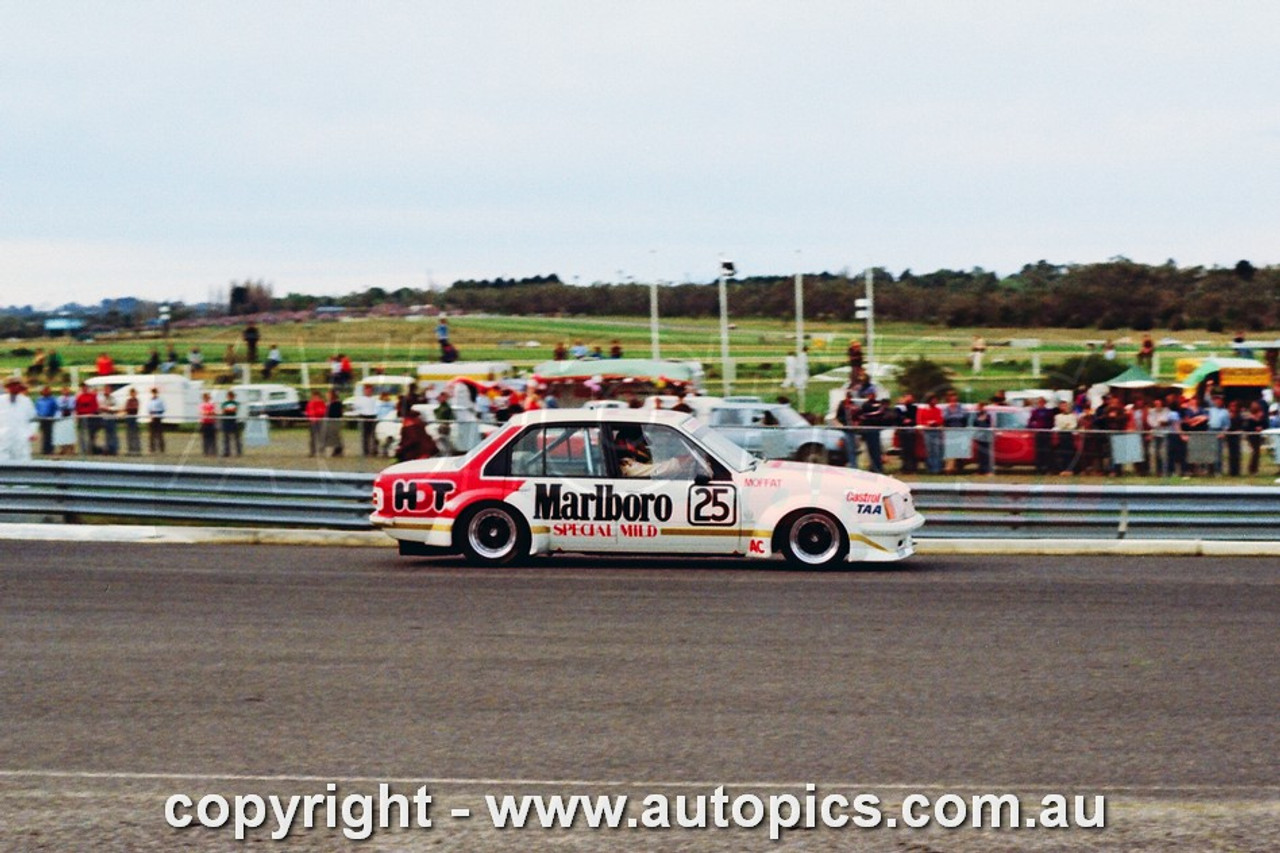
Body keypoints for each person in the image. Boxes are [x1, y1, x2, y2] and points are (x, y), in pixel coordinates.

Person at [0, 378, 37, 461]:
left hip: (21, 437)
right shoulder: (0, 400)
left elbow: (33, 419)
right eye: (12, 386)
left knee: (22, 461)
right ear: (7, 387)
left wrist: (32, 432)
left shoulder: (26, 401)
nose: (14, 387)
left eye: (17, 385)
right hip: (3, 437)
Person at [859, 391, 890, 474]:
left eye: (872, 395)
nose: (871, 396)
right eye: (869, 395)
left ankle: (878, 467)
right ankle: (873, 466)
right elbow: (864, 414)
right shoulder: (865, 405)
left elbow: (882, 413)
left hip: (876, 430)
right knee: (871, 450)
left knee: (877, 450)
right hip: (868, 430)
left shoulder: (878, 403)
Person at [916, 394, 944, 474]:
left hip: (936, 431)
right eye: (933, 400)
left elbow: (940, 420)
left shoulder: (938, 410)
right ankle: (930, 468)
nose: (935, 402)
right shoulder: (923, 410)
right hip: (927, 432)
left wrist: (935, 422)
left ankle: (937, 468)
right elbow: (921, 421)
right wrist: (927, 423)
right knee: (929, 450)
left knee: (937, 450)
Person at [1028, 397, 1056, 475]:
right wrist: (1034, 428)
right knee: (1039, 451)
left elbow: (1052, 422)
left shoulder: (1049, 412)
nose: (1041, 403)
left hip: (1046, 433)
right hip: (1038, 433)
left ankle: (1047, 468)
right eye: (1039, 402)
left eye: (1042, 402)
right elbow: (1030, 422)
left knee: (1047, 451)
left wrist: (1049, 429)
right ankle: (1039, 468)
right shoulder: (1035, 411)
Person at [835, 391, 861, 469]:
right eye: (848, 396)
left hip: (853, 430)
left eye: (850, 397)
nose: (849, 398)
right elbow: (838, 416)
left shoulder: (853, 404)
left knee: (854, 448)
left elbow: (857, 415)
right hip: (845, 429)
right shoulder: (842, 404)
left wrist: (856, 422)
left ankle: (854, 464)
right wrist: (843, 424)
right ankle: (850, 464)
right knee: (847, 448)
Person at [1053, 400, 1079, 475]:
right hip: (1061, 435)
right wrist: (1065, 426)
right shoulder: (1057, 416)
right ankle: (1063, 469)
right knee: (1062, 453)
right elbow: (1058, 425)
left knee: (1070, 452)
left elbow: (1073, 425)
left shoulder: (1073, 416)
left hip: (1069, 435)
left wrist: (1066, 426)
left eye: (1065, 405)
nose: (1064, 407)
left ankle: (1070, 469)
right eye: (1062, 406)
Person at [895, 393, 918, 474]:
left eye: (910, 398)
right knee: (904, 450)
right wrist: (903, 419)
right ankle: (904, 467)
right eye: (907, 398)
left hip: (911, 430)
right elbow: (897, 416)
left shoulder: (914, 408)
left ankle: (912, 468)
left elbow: (915, 417)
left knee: (911, 450)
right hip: (903, 431)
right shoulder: (900, 408)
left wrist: (910, 421)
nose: (909, 399)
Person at [74, 382, 100, 455]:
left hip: (90, 418)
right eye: (82, 387)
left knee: (91, 435)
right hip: (82, 417)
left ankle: (91, 449)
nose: (84, 388)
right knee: (82, 434)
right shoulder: (79, 397)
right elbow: (77, 407)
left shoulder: (92, 396)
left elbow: (95, 407)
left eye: (85, 387)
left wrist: (91, 413)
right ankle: (83, 450)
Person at [1243, 400, 1267, 476]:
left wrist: (1261, 427)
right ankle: (1252, 469)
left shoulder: (1262, 417)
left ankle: (1254, 469)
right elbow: (1246, 428)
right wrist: (1254, 428)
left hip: (1258, 437)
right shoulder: (1250, 419)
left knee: (1257, 453)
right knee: (1255, 452)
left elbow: (1265, 425)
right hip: (1251, 436)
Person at [34, 385, 58, 455]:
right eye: (44, 390)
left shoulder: (52, 399)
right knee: (43, 434)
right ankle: (44, 449)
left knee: (49, 435)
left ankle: (50, 450)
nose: (45, 392)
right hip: (41, 419)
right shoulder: (39, 400)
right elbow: (36, 408)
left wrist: (53, 416)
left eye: (47, 390)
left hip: (49, 418)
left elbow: (55, 408)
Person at [972, 400, 994, 476]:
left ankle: (988, 471)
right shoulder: (976, 416)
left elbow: (990, 425)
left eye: (981, 406)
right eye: (979, 406)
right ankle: (980, 470)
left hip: (986, 437)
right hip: (979, 437)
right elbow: (974, 424)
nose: (980, 408)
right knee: (980, 455)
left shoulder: (988, 416)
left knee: (986, 454)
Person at [53, 386, 76, 455]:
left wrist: (68, 407)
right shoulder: (58, 399)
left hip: (69, 417)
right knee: (62, 434)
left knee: (70, 433)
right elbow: (58, 407)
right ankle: (63, 449)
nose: (65, 392)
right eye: (64, 390)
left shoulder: (73, 398)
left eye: (67, 390)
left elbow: (73, 406)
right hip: (61, 417)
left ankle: (72, 449)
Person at [220, 390, 242, 457]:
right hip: (226, 421)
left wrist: (228, 410)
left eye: (232, 396)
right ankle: (226, 452)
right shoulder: (224, 403)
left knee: (236, 437)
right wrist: (228, 410)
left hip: (233, 421)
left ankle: (238, 452)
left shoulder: (236, 403)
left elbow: (234, 410)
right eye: (229, 396)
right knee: (226, 438)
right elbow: (223, 411)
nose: (230, 397)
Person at [305, 391, 327, 456]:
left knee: (321, 436)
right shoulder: (310, 403)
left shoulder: (321, 402)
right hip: (312, 422)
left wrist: (317, 412)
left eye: (316, 396)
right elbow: (308, 411)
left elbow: (323, 411)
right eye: (313, 396)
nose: (315, 397)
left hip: (320, 421)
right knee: (312, 437)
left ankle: (322, 451)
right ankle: (312, 451)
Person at [324, 389, 344, 456]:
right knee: (332, 436)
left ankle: (338, 449)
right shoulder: (328, 403)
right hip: (329, 421)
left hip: (335, 421)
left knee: (335, 435)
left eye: (328, 395)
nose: (327, 396)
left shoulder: (337, 403)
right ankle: (336, 449)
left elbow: (337, 413)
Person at [146, 388, 166, 454]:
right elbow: (148, 409)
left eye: (155, 392)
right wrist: (151, 415)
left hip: (158, 418)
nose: (154, 394)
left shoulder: (160, 401)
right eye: (153, 393)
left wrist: (156, 414)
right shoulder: (150, 401)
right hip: (152, 418)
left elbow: (162, 409)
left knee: (159, 434)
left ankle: (161, 448)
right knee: (151, 435)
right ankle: (152, 448)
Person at [123, 388, 142, 455]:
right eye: (131, 393)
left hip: (133, 419)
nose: (132, 394)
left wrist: (128, 409)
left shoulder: (136, 401)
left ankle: (137, 450)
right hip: (129, 419)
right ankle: (130, 450)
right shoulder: (128, 400)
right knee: (129, 435)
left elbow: (134, 409)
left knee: (135, 435)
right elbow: (126, 408)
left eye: (134, 393)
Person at [198, 392, 218, 456]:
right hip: (204, 423)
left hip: (211, 423)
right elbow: (202, 412)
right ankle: (206, 451)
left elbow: (215, 412)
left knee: (212, 438)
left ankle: (213, 451)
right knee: (205, 438)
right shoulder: (201, 405)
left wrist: (209, 412)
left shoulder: (212, 404)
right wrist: (209, 412)